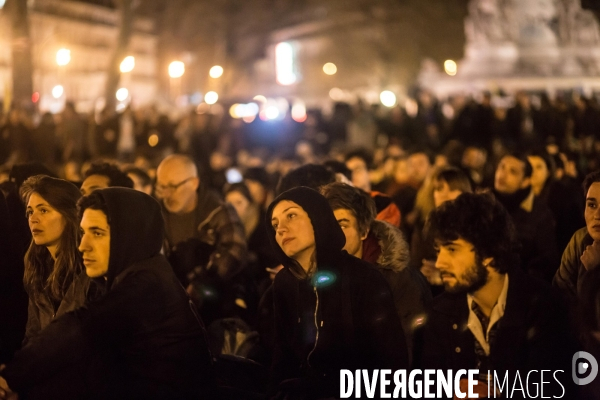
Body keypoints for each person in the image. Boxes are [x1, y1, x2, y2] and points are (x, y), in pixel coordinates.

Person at [0, 188, 215, 399]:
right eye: (83, 233)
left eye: (98, 233)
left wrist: (11, 377)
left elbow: (80, 328)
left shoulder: (148, 285)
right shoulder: (132, 276)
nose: (83, 246)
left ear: (129, 235)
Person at [419, 192, 575, 398]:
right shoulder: (439, 313)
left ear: (487, 253)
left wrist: (496, 394)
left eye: (452, 249)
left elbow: (556, 388)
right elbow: (427, 385)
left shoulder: (543, 307)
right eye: (439, 251)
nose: (440, 263)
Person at [267, 186, 408, 399]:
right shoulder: (284, 283)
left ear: (317, 217)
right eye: (275, 225)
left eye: (291, 216)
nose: (281, 229)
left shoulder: (363, 277)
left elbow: (391, 361)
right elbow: (282, 354)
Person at [319, 182, 431, 363]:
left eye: (342, 225)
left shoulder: (397, 278)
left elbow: (407, 352)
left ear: (363, 231)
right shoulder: (319, 277)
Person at [156, 154, 247, 323]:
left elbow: (235, 250)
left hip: (213, 307)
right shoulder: (154, 213)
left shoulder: (218, 211)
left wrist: (202, 283)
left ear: (193, 183)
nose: (166, 195)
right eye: (162, 187)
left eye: (173, 187)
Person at [19, 175, 88, 341]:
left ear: (69, 214)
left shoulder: (88, 268)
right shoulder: (37, 266)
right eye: (30, 212)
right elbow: (32, 336)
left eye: (43, 210)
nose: (33, 219)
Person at [493, 153, 559, 281]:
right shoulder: (486, 204)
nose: (502, 174)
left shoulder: (539, 214)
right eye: (501, 167)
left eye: (512, 172)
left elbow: (547, 261)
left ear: (525, 181)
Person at [554, 170, 600, 302]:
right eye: (592, 205)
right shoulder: (580, 239)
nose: (597, 215)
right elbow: (559, 294)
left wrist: (595, 271)